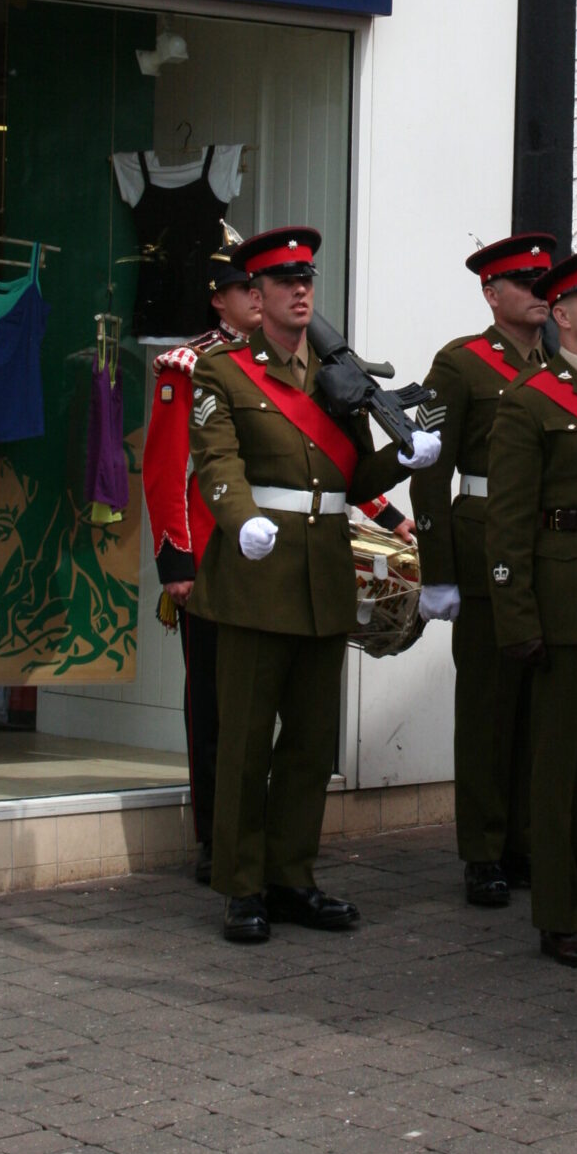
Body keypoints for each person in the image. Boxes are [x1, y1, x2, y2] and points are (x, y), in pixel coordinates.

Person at [188, 225, 441, 942]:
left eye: (308, 279)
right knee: (243, 742)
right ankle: (240, 883)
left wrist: (406, 456)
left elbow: (355, 477)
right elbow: (217, 462)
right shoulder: (224, 371)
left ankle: (292, 875)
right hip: (257, 577)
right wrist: (239, 520)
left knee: (307, 743)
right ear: (256, 296)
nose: (301, 290)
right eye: (283, 281)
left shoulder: (336, 374)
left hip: (323, 577)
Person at [486, 247, 577, 969]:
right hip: (565, 605)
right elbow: (508, 521)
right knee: (560, 770)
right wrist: (516, 617)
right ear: (564, 315)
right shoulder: (530, 399)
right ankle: (559, 911)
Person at [410, 234, 556, 908]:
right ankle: (483, 848)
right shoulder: (461, 363)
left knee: (537, 709)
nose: (539, 292)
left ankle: (526, 838)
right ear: (491, 294)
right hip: (481, 550)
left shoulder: (566, 363)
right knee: (489, 708)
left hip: (546, 552)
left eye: (543, 281)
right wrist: (436, 572)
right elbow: (429, 471)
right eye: (524, 282)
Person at [141, 231, 262, 884]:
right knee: (213, 707)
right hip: (211, 559)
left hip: (270, 560)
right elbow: (165, 469)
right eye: (248, 287)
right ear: (221, 300)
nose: (260, 297)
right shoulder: (185, 367)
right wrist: (177, 563)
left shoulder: (284, 365)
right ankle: (217, 838)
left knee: (265, 702)